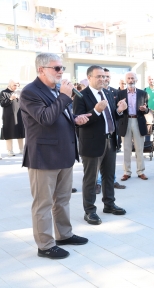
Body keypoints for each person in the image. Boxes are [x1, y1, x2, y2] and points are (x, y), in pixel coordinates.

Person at [19, 53, 90, 259]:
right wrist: (65, 97)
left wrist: (75, 118)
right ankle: (45, 245)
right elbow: (45, 118)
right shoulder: (30, 92)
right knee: (43, 204)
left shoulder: (58, 90)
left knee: (63, 199)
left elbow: (60, 115)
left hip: (64, 154)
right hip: (43, 157)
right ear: (41, 70)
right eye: (56, 68)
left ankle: (64, 235)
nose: (61, 72)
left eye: (62, 68)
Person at [74, 65, 127, 225]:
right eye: (99, 77)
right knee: (90, 179)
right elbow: (79, 123)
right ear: (89, 77)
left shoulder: (108, 93)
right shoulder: (81, 96)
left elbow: (112, 117)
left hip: (110, 140)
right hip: (92, 144)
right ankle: (89, 211)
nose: (103, 79)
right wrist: (96, 111)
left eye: (104, 77)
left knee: (109, 175)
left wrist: (119, 111)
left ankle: (109, 204)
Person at [117, 71, 150, 181]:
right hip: (125, 121)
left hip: (138, 120)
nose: (131, 80)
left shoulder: (143, 93)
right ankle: (127, 172)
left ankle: (140, 171)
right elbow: (117, 110)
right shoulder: (120, 94)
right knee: (126, 148)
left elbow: (147, 109)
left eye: (132, 78)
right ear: (126, 81)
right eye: (129, 78)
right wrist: (120, 108)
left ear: (136, 80)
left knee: (139, 148)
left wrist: (145, 109)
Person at [1, 79, 25, 156]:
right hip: (8, 116)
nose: (16, 87)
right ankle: (10, 150)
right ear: (10, 84)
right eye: (14, 85)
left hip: (19, 115)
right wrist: (10, 98)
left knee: (20, 131)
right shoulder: (4, 92)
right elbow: (2, 104)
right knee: (8, 131)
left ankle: (21, 149)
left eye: (18, 85)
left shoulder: (19, 92)